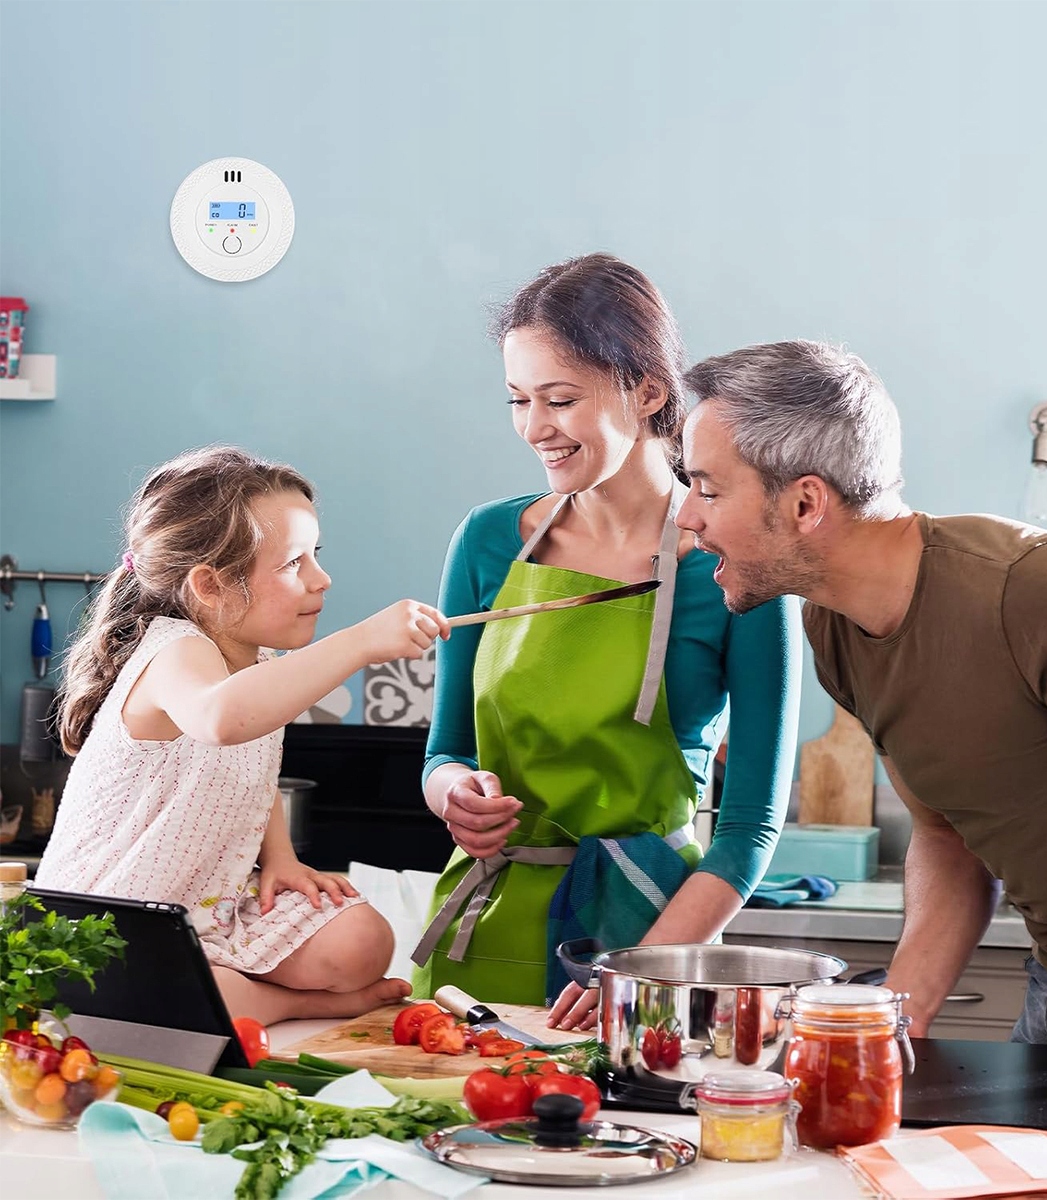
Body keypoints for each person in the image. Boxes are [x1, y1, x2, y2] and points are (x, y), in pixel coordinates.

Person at [674, 338, 1047, 1063]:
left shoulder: (1037, 591)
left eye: (707, 489)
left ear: (805, 502)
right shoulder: (836, 628)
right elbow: (946, 836)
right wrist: (895, 1018)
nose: (686, 517)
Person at [410, 254, 803, 1025]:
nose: (535, 428)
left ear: (648, 391)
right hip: (482, 935)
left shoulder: (733, 564)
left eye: (560, 399)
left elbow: (750, 827)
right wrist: (454, 795)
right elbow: (443, 751)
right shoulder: (488, 541)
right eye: (519, 400)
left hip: (651, 942)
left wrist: (636, 976)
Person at [39, 445, 450, 1026]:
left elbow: (248, 773)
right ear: (210, 585)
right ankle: (291, 1004)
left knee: (362, 940)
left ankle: (236, 986)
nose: (321, 579)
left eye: (316, 556)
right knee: (176, 992)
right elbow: (221, 720)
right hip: (114, 921)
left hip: (211, 903)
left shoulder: (259, 664)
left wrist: (280, 857)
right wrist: (360, 642)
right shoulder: (173, 651)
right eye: (293, 563)